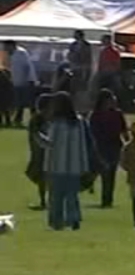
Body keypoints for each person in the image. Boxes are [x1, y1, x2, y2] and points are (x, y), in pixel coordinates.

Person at [42, 92, 93, 231]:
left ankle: (56, 222)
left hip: (56, 165)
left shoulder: (56, 123)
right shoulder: (79, 122)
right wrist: (84, 166)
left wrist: (37, 136)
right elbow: (83, 145)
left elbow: (50, 143)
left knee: (56, 197)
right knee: (72, 196)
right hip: (74, 166)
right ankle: (74, 218)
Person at [88, 89, 128, 208]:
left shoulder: (117, 114)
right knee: (104, 172)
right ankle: (102, 196)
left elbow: (124, 130)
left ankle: (108, 200)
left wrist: (128, 143)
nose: (113, 101)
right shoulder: (95, 115)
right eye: (110, 99)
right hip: (101, 147)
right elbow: (92, 133)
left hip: (115, 146)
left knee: (111, 174)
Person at [24, 93, 49, 209]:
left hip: (46, 151)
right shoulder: (37, 119)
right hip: (40, 152)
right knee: (41, 177)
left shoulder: (49, 118)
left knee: (44, 177)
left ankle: (46, 200)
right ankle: (43, 200)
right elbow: (34, 135)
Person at [4, 40, 36, 127]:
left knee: (27, 103)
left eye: (6, 46)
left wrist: (29, 80)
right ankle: (14, 119)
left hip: (24, 81)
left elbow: (27, 67)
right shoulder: (7, 54)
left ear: (12, 46)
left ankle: (33, 120)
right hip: (13, 82)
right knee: (15, 102)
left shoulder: (21, 53)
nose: (5, 48)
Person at [67, 31, 93, 109]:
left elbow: (88, 58)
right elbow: (70, 55)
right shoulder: (73, 45)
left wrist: (87, 70)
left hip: (83, 68)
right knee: (72, 86)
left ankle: (81, 104)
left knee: (82, 86)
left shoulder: (87, 45)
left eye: (76, 35)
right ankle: (72, 103)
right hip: (74, 67)